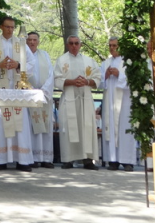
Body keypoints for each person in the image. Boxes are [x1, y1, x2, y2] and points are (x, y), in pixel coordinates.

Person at [0, 17, 37, 172]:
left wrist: (18, 65)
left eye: (12, 27)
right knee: (1, 121)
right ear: (1, 27)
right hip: (1, 89)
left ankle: (22, 160)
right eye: (7, 27)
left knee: (20, 123)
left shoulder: (22, 44)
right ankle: (1, 160)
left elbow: (32, 63)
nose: (10, 30)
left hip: (18, 89)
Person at [54, 35, 101, 170]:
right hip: (69, 99)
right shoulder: (61, 60)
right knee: (68, 128)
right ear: (68, 45)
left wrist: (86, 81)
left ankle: (87, 160)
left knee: (87, 128)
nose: (74, 46)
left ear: (80, 45)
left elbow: (97, 79)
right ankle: (68, 159)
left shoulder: (89, 61)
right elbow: (57, 80)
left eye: (76, 43)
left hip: (85, 99)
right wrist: (73, 82)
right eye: (71, 43)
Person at [100, 38, 136, 171]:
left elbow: (134, 80)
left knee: (125, 129)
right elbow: (100, 82)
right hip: (110, 101)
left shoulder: (128, 62)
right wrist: (106, 74)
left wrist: (119, 74)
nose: (112, 48)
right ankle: (112, 160)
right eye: (110, 45)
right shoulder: (106, 63)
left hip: (125, 102)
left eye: (114, 45)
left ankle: (127, 161)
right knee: (111, 128)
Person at [25, 31, 55, 168]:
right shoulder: (22, 55)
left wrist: (44, 90)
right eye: (29, 39)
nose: (32, 42)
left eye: (34, 40)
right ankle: (34, 157)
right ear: (26, 41)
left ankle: (46, 158)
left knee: (46, 125)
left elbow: (51, 74)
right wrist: (30, 90)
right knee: (32, 127)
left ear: (38, 41)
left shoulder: (45, 55)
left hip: (44, 95)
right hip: (29, 95)